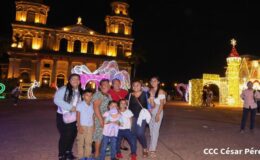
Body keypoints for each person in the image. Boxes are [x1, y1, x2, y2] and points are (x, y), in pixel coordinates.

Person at [54, 73, 83, 160]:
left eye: (77, 79)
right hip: (63, 116)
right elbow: (56, 100)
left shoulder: (80, 91)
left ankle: (68, 152)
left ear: (79, 81)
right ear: (69, 81)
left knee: (72, 135)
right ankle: (61, 154)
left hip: (75, 117)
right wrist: (70, 108)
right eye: (73, 79)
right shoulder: (64, 89)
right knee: (65, 135)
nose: (75, 81)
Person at [128, 80, 150, 158]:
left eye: (137, 85)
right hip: (132, 117)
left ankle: (144, 148)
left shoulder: (145, 94)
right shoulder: (130, 95)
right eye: (134, 85)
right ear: (132, 87)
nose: (135, 87)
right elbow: (125, 104)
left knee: (140, 133)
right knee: (133, 134)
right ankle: (133, 151)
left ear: (141, 86)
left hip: (142, 117)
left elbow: (150, 105)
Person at [92, 79, 111, 159]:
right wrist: (101, 120)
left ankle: (102, 152)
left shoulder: (108, 95)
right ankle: (96, 154)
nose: (106, 85)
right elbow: (96, 108)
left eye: (107, 84)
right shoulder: (98, 94)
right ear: (100, 86)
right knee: (98, 136)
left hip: (106, 118)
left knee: (104, 135)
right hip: (99, 117)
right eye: (104, 84)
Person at [108, 78, 129, 151]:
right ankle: (112, 145)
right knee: (112, 129)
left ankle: (122, 145)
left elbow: (127, 102)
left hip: (122, 113)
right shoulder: (109, 91)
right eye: (115, 83)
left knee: (123, 128)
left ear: (120, 84)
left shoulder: (125, 92)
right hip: (113, 113)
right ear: (112, 84)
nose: (117, 84)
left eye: (118, 83)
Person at [148, 76, 166, 158]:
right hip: (150, 111)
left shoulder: (161, 91)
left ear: (158, 82)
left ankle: (153, 150)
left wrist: (158, 114)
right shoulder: (150, 90)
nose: (153, 82)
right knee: (151, 130)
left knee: (155, 130)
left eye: (155, 81)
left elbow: (162, 104)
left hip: (158, 110)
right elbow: (149, 103)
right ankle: (152, 146)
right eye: (151, 81)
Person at [76, 89, 94, 160]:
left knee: (89, 142)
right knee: (80, 142)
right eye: (87, 95)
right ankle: (80, 156)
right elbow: (78, 115)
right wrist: (79, 126)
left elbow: (93, 115)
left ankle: (88, 155)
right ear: (83, 96)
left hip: (90, 126)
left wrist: (94, 126)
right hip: (82, 125)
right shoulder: (80, 104)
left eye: (90, 95)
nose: (89, 97)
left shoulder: (92, 104)